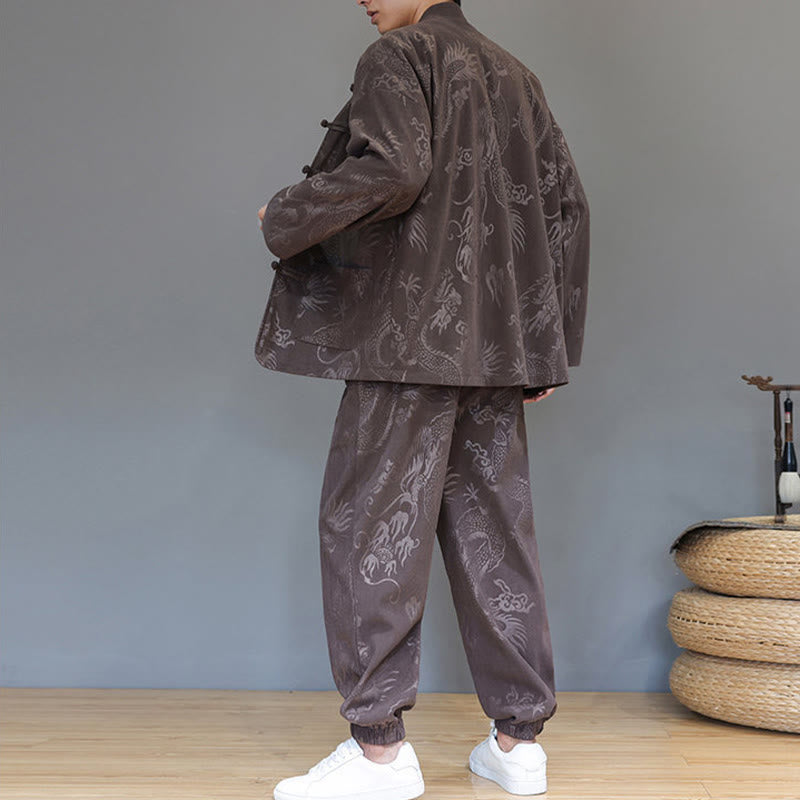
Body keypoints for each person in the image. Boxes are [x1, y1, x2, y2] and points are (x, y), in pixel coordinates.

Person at [256, 1, 589, 797]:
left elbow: (394, 169)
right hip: (495, 348)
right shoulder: (518, 76)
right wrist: (549, 344)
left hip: (406, 342)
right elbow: (566, 210)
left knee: (370, 527)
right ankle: (518, 745)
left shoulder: (401, 56)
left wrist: (287, 213)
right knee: (494, 535)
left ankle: (379, 754)